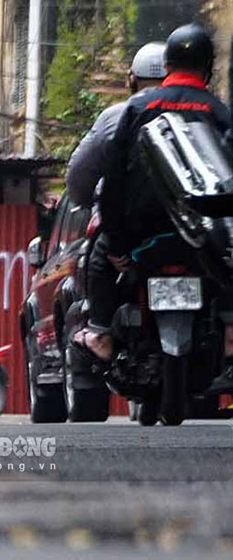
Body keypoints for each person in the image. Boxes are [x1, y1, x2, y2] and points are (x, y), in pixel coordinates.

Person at [73, 24, 232, 366]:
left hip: (139, 235)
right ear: (208, 68)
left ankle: (100, 333)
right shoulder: (220, 113)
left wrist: (115, 242)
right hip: (203, 239)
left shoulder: (135, 109)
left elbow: (113, 180)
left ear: (169, 65)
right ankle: (231, 331)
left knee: (97, 259)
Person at [66, 41, 167, 207]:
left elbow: (80, 172)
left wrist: (86, 201)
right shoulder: (191, 111)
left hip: (126, 222)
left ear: (132, 79)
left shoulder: (113, 116)